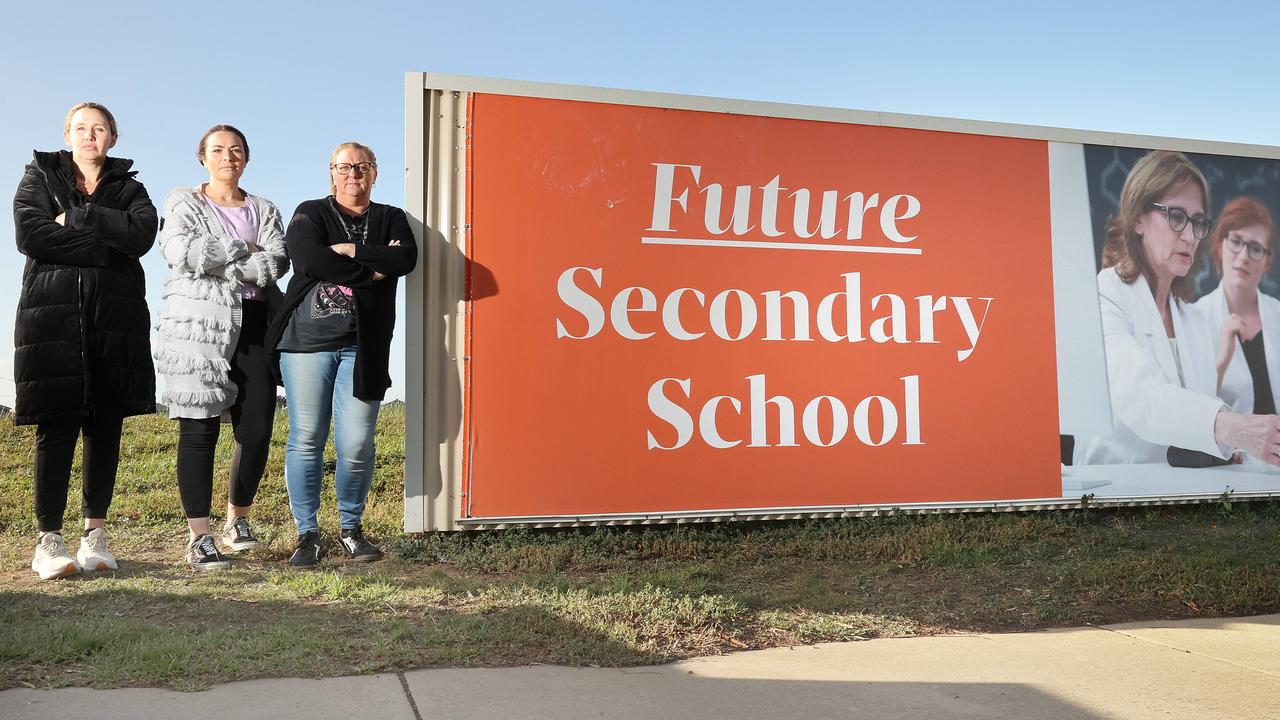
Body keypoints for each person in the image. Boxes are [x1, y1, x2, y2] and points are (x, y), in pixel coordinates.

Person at [13, 102, 157, 580]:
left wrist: (74, 219)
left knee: (105, 425)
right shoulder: (38, 178)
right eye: (81, 128)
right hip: (50, 320)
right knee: (56, 428)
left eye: (99, 128)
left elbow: (141, 235)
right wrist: (106, 245)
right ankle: (48, 541)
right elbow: (31, 236)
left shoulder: (131, 188)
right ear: (67, 134)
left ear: (113, 137)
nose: (89, 135)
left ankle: (95, 535)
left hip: (115, 320)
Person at [1074, 150, 1280, 466]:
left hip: (1182, 496)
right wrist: (1234, 427)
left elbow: (1192, 429)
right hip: (1112, 495)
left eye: (1197, 222)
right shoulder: (1106, 295)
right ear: (1139, 217)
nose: (1189, 235)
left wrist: (1226, 449)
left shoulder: (1192, 318)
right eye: (1176, 217)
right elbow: (1142, 397)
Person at [265, 141, 417, 567]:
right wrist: (374, 267)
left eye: (362, 166)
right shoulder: (310, 211)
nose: (354, 173)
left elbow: (406, 258)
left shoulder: (391, 217)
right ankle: (307, 534)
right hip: (305, 344)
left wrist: (350, 251)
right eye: (344, 166)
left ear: (374, 172)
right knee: (307, 438)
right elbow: (308, 259)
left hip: (363, 346)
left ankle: (351, 528)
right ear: (331, 173)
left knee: (356, 442)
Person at [154, 125, 289, 569]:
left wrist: (222, 255)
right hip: (198, 325)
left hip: (256, 325)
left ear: (246, 158)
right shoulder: (183, 200)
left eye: (236, 150)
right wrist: (241, 249)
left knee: (256, 431)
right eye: (217, 149)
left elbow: (275, 263)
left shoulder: (264, 207)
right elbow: (178, 250)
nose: (227, 156)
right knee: (199, 428)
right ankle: (199, 537)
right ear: (202, 158)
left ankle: (238, 519)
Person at [1194, 197, 1280, 419]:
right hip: (1234, 452)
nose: (1243, 256)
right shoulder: (1196, 319)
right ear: (1221, 245)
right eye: (1236, 242)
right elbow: (1192, 411)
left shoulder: (1277, 313)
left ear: (1267, 262)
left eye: (1255, 248)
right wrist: (1221, 362)